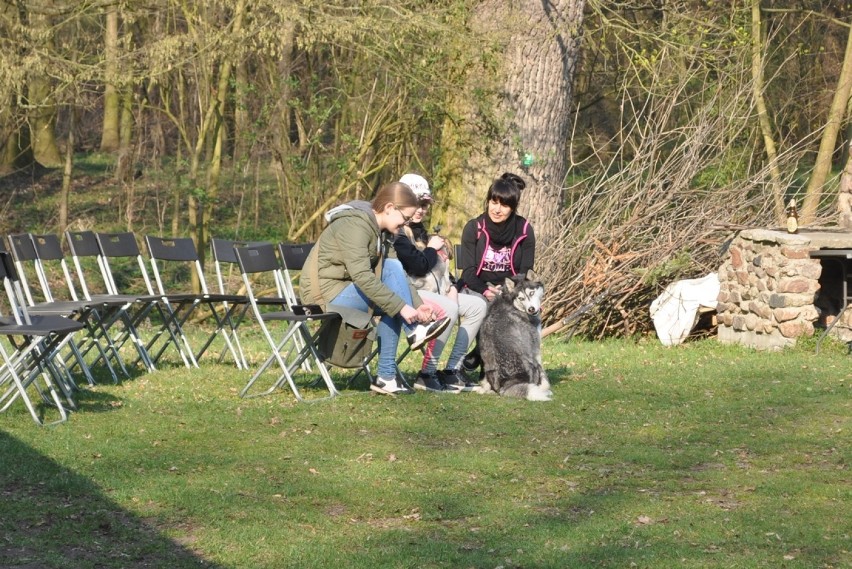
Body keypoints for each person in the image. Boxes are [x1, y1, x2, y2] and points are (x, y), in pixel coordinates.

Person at [300, 182, 451, 395]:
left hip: (347, 288)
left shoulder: (381, 231)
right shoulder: (354, 226)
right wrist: (404, 308)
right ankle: (414, 330)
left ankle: (386, 378)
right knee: (394, 299)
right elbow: (362, 276)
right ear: (389, 208)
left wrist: (417, 306)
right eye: (405, 218)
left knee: (393, 283)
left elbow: (397, 277)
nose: (406, 223)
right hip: (323, 294)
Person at [394, 173, 487, 393]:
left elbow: (438, 271)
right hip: (410, 296)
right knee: (448, 307)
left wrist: (453, 287)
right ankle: (427, 373)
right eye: (415, 203)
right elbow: (418, 267)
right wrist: (432, 248)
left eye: (424, 204)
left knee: (477, 305)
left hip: (437, 292)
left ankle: (452, 370)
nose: (420, 209)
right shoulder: (397, 233)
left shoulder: (423, 233)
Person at [458, 172, 536, 371]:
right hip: (475, 286)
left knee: (508, 309)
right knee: (485, 306)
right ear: (488, 201)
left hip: (508, 289)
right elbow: (467, 272)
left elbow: (524, 272)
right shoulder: (473, 227)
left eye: (504, 205)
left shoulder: (525, 230)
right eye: (494, 202)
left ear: (513, 208)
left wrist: (506, 290)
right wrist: (485, 290)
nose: (497, 209)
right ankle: (479, 362)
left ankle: (482, 357)